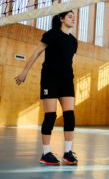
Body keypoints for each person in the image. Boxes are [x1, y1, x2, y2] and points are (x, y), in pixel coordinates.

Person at [15, 11, 78, 165]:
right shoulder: (51, 34)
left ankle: (68, 152)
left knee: (69, 115)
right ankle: (46, 153)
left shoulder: (74, 41)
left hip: (67, 80)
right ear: (61, 19)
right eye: (70, 16)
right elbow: (37, 52)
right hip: (50, 79)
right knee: (50, 115)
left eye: (74, 16)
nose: (73, 18)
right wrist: (25, 71)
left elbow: (70, 60)